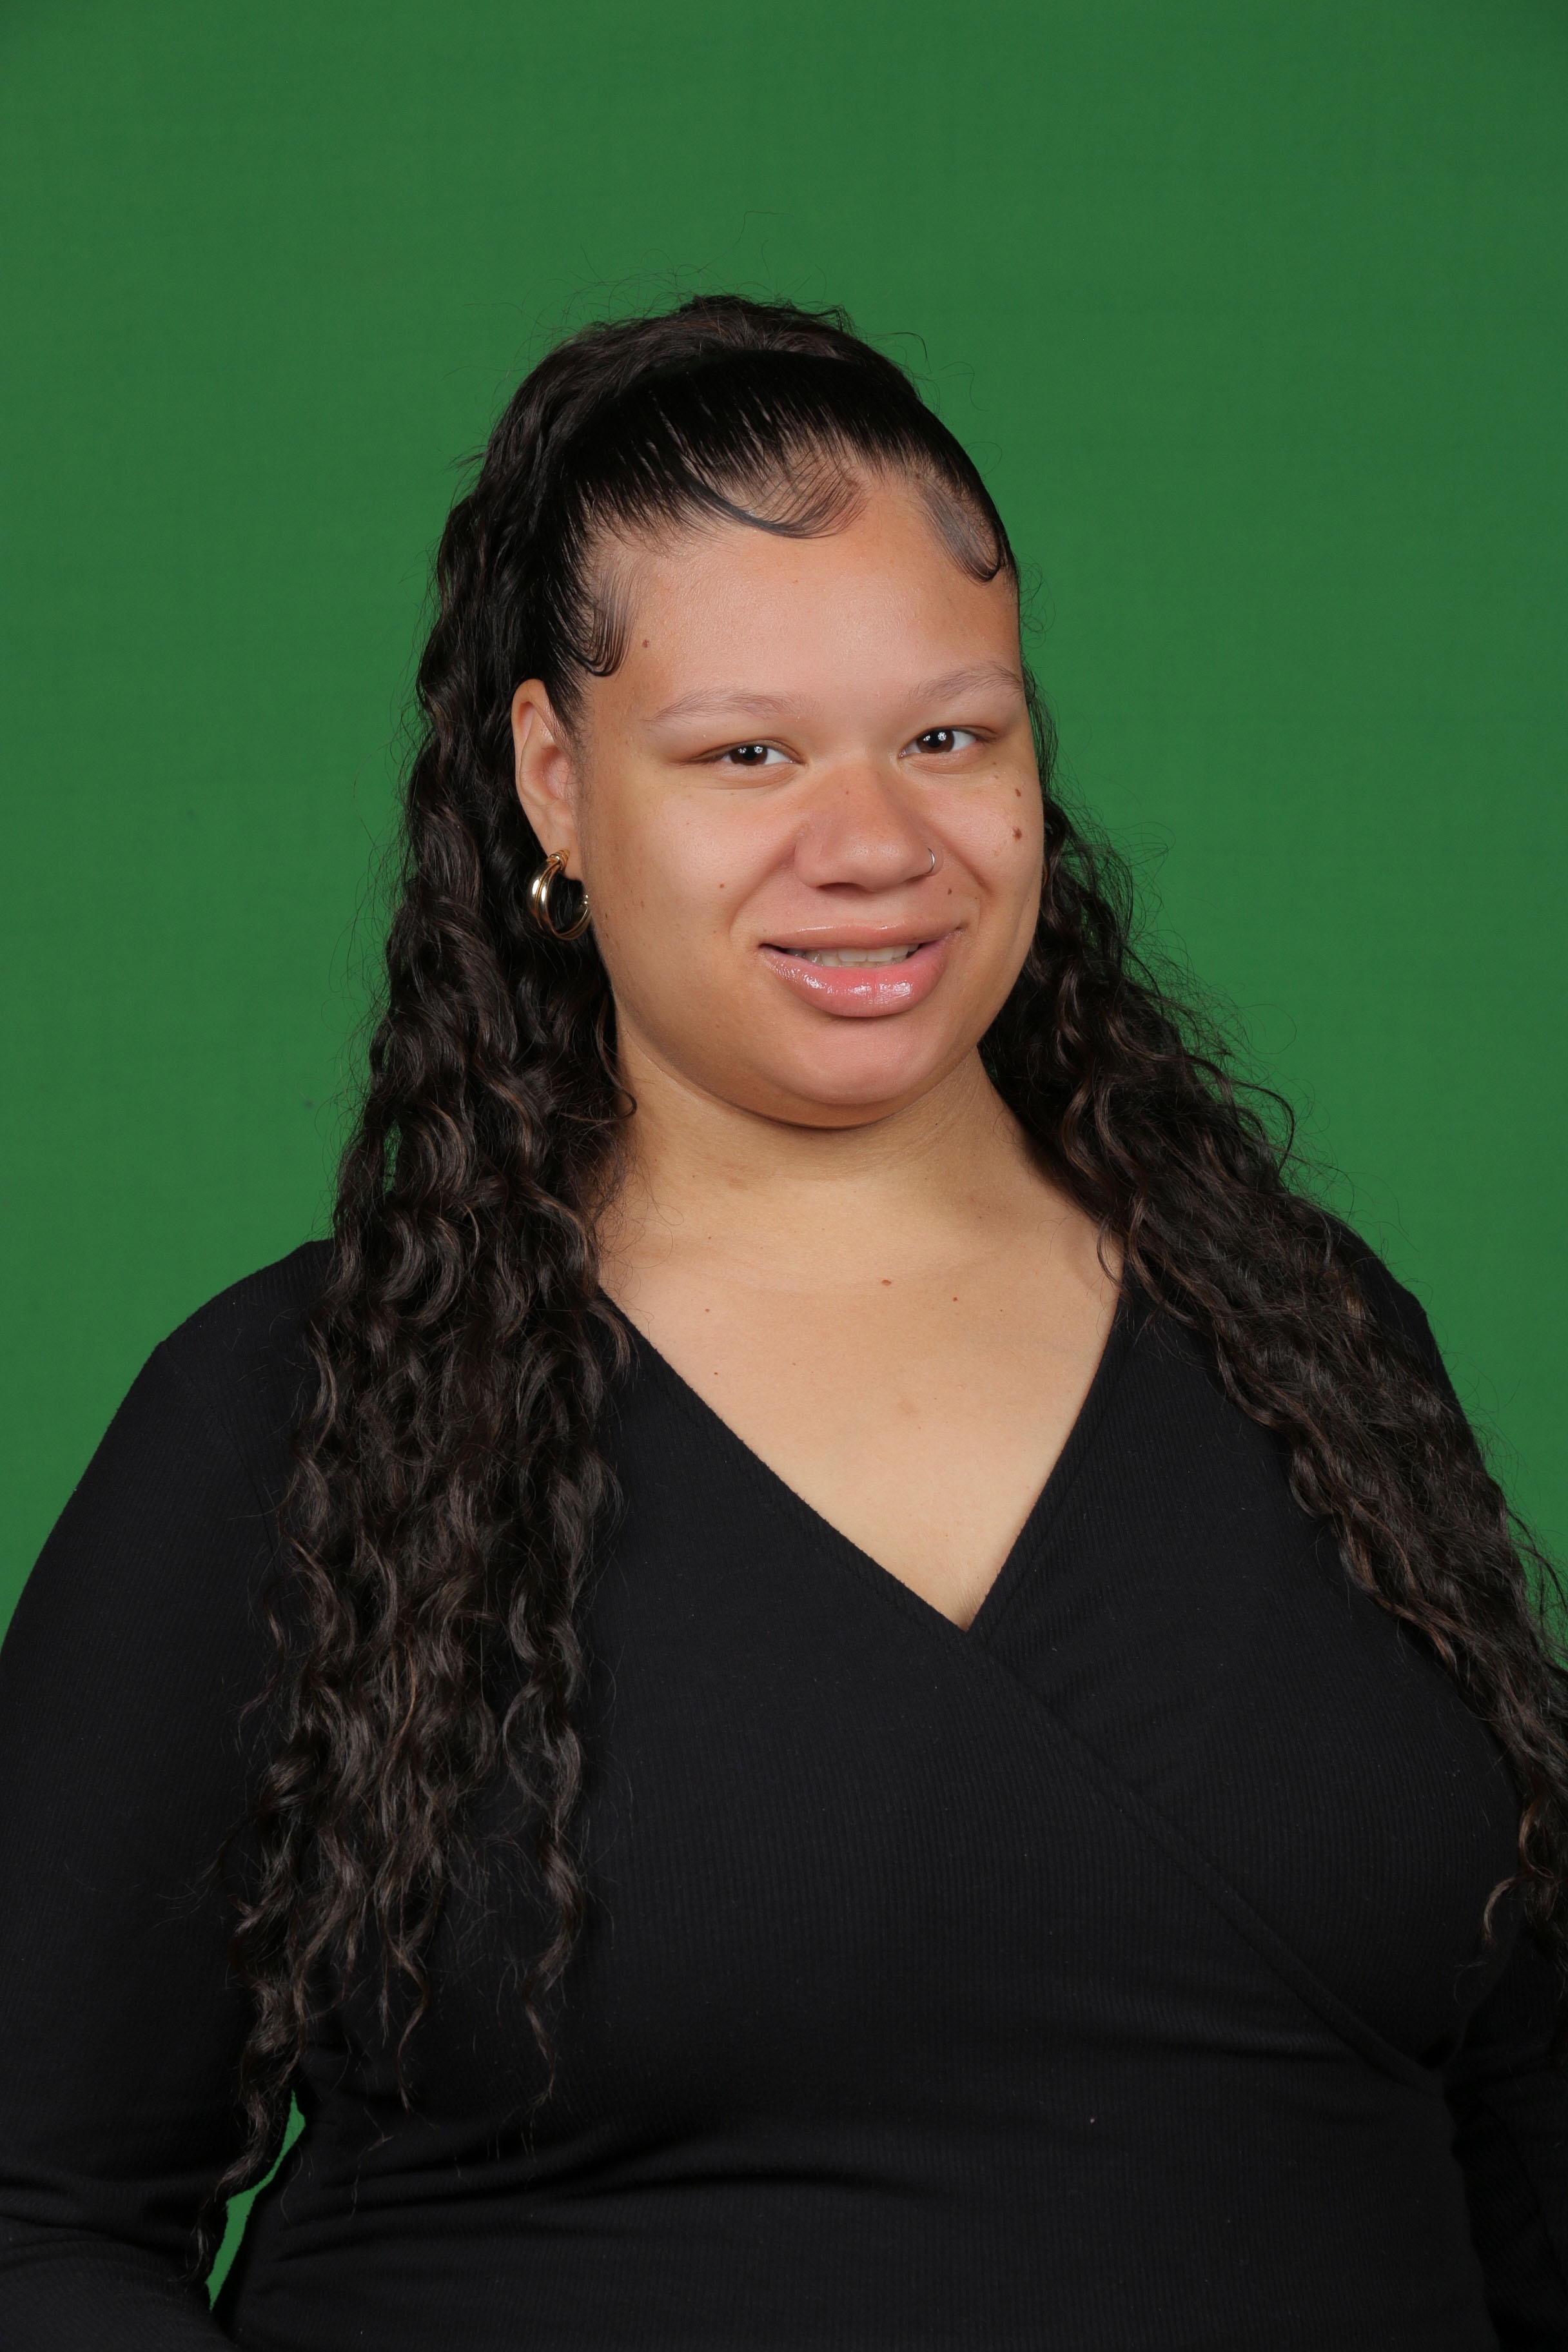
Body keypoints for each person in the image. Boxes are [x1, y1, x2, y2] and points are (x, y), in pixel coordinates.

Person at [1, 293, 1564, 2352]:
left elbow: (1532, 2125)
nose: (877, 847)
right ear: (555, 784)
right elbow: (32, 2219)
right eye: (747, 753)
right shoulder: (303, 1420)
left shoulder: (1313, 1344)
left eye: (951, 737)